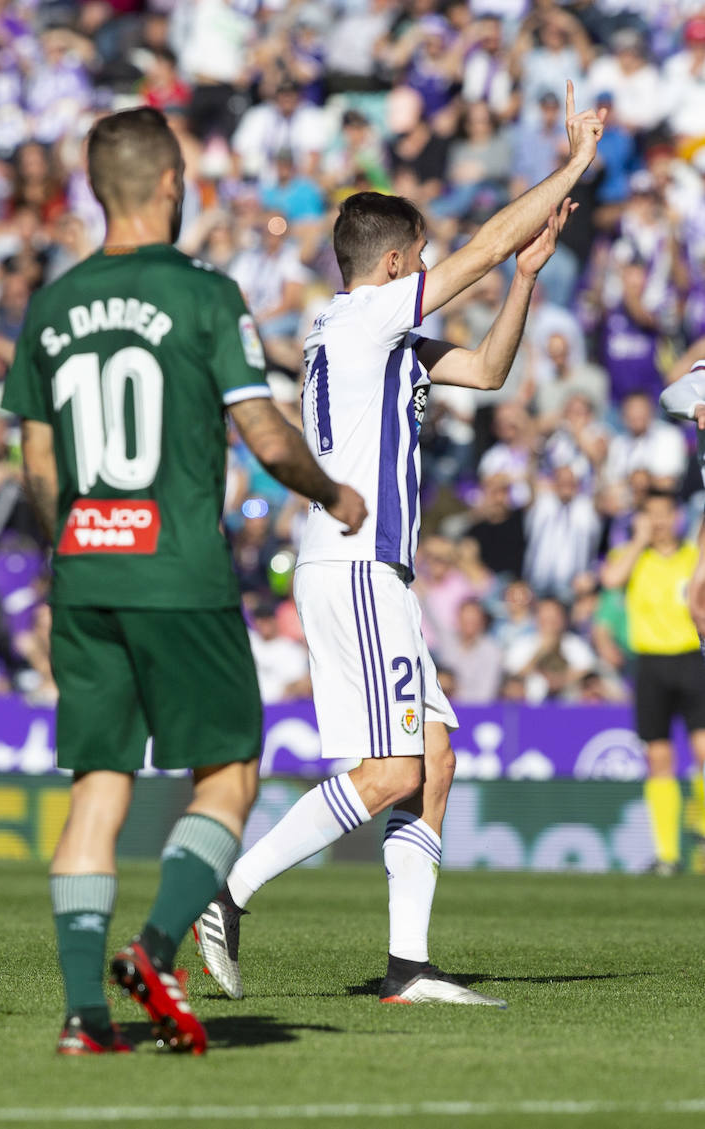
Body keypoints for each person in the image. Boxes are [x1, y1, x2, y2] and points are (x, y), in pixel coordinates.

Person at [196, 82, 604, 1008]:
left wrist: (528, 279)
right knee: (391, 770)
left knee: (437, 758)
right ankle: (226, 890)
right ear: (390, 262)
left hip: (372, 571)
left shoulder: (370, 336)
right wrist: (574, 164)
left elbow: (492, 372)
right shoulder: (366, 317)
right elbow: (484, 246)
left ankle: (409, 967)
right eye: (418, 256)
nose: (430, 268)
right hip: (357, 566)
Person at [1, 107, 365, 1055]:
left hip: (83, 567)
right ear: (171, 184)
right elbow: (267, 435)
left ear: (92, 188)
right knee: (229, 773)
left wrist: (72, 555)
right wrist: (335, 492)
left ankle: (85, 1017)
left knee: (97, 789)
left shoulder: (50, 304)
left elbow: (38, 470)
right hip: (179, 569)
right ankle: (158, 946)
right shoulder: (205, 293)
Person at [600, 489, 705, 876]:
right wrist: (639, 539)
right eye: (652, 515)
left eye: (666, 514)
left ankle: (702, 831)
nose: (660, 522)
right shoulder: (630, 557)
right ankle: (668, 856)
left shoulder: (694, 557)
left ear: (678, 516)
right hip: (650, 665)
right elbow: (611, 580)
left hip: (694, 659)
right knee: (658, 758)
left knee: (703, 750)